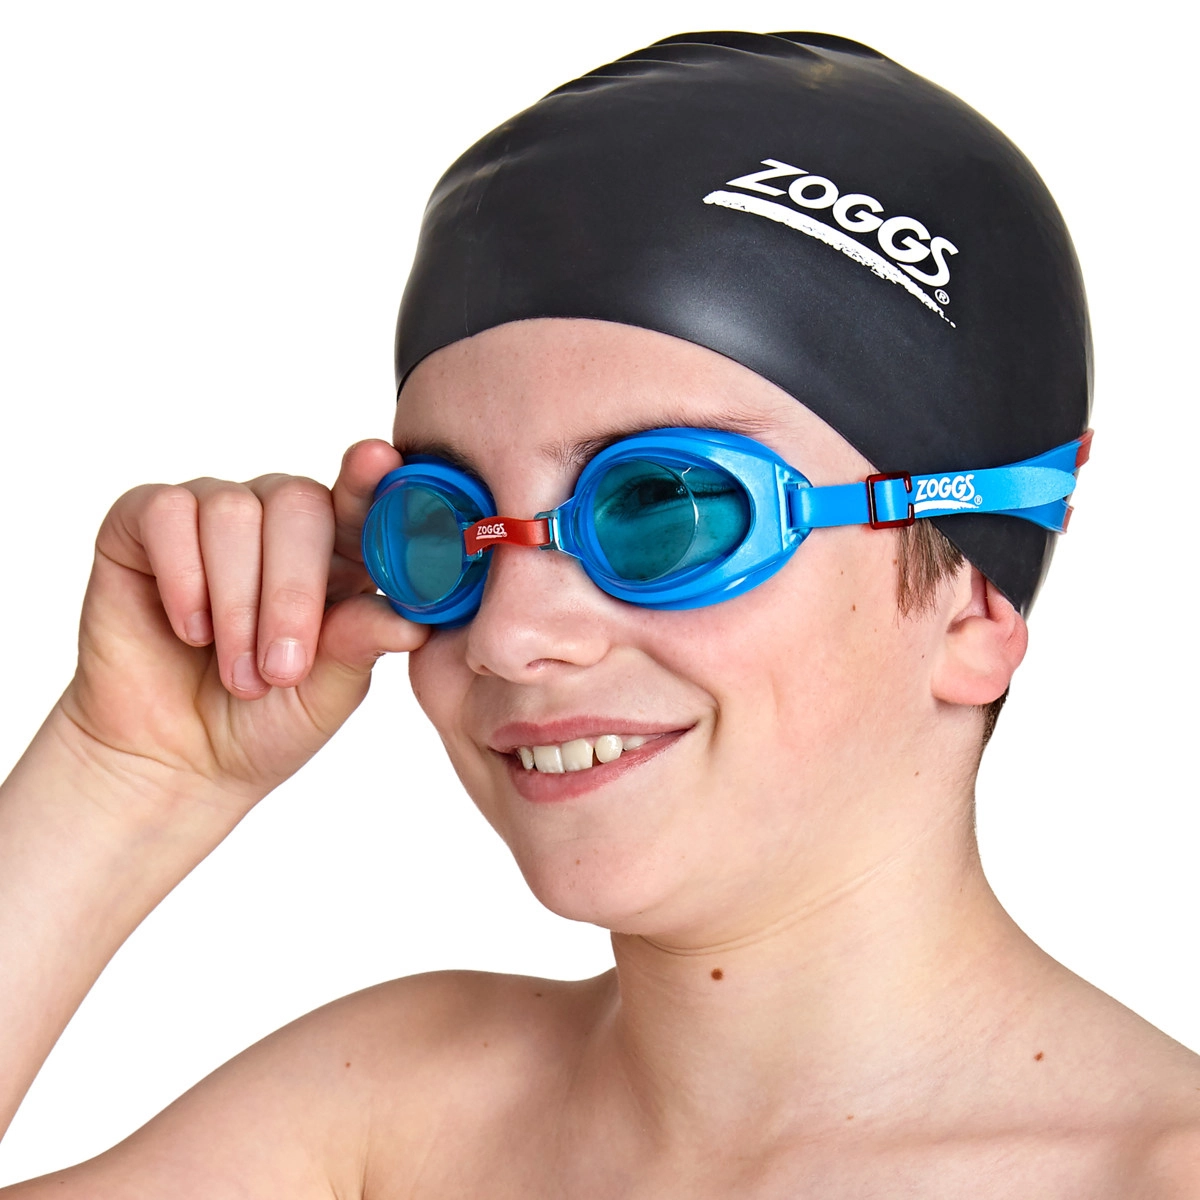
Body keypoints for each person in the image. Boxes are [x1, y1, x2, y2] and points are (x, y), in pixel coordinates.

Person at [1, 26, 1197, 1197]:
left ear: (974, 605)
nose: (510, 637)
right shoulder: (383, 1124)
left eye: (669, 511)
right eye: (450, 529)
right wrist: (128, 774)